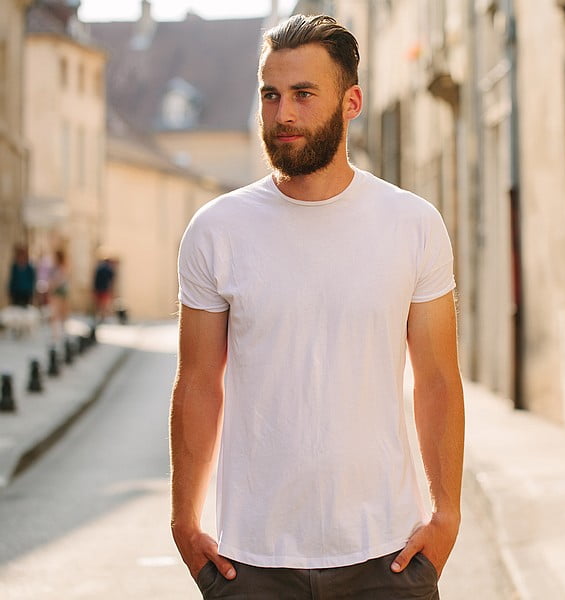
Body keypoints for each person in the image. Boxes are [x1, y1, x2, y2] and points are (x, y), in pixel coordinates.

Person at [170, 14, 464, 600]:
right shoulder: (216, 230)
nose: (284, 114)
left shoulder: (412, 225)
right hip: (249, 562)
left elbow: (436, 379)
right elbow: (199, 381)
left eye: (304, 95)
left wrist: (447, 514)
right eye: (271, 95)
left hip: (387, 557)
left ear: (350, 102)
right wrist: (185, 521)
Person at [48, 249, 70, 340]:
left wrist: (53, 285)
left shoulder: (62, 267)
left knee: (62, 313)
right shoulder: (54, 267)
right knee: (55, 312)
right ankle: (56, 333)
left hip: (60, 291)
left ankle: (61, 332)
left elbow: (61, 279)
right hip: (57, 291)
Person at [92, 254, 115, 323]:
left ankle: (99, 317)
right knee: (104, 305)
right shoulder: (109, 269)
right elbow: (111, 281)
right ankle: (103, 317)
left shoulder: (99, 268)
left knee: (99, 304)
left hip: (99, 289)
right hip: (105, 289)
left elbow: (95, 279)